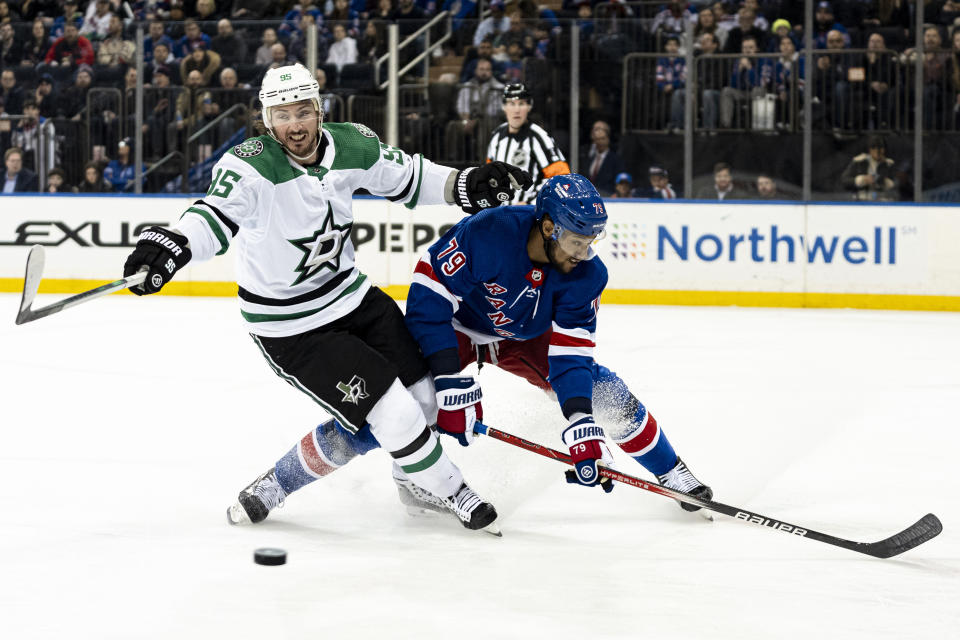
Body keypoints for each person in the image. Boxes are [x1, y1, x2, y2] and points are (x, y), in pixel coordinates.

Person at [120, 63, 533, 532]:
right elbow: (212, 215)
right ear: (266, 120)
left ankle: (410, 481)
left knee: (426, 401)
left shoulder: (352, 144)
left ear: (319, 110)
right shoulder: (249, 166)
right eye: (281, 114)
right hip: (293, 328)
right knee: (391, 412)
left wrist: (463, 183)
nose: (294, 124)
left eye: (302, 111)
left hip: (353, 298)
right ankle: (453, 488)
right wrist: (174, 244)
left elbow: (409, 177)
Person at [394, 174, 713, 515]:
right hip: (454, 327)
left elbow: (572, 351)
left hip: (522, 338)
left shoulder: (588, 275)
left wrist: (580, 418)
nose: (584, 251)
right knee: (409, 396)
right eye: (577, 240)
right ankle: (409, 478)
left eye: (592, 240)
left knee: (603, 391)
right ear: (549, 228)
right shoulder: (490, 230)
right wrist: (444, 378)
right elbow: (429, 298)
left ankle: (670, 469)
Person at [486, 83, 570, 204]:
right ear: (504, 107)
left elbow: (561, 178)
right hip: (500, 213)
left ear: (529, 107)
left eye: (521, 103)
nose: (517, 110)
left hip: (529, 214)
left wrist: (531, 201)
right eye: (511, 104)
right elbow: (489, 175)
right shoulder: (497, 136)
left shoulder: (539, 137)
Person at [446, 57, 504, 162]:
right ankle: (453, 160)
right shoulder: (467, 86)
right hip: (468, 119)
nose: (484, 72)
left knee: (484, 125)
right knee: (453, 126)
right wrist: (466, 120)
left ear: (491, 72)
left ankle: (483, 161)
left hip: (489, 120)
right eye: (481, 69)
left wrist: (476, 120)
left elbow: (494, 109)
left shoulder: (498, 87)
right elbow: (461, 105)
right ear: (476, 71)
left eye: (487, 70)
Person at [840, 134, 897, 201]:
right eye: (873, 147)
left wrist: (885, 182)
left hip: (883, 202)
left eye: (880, 147)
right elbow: (844, 181)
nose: (877, 151)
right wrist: (862, 180)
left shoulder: (889, 164)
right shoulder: (859, 161)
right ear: (869, 149)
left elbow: (898, 185)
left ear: (884, 149)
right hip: (861, 201)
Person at [581, 120, 623, 197]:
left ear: (608, 139)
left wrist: (616, 194)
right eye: (597, 139)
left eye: (602, 139)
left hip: (608, 198)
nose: (600, 142)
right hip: (590, 198)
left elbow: (619, 181)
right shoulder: (588, 157)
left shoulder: (615, 159)